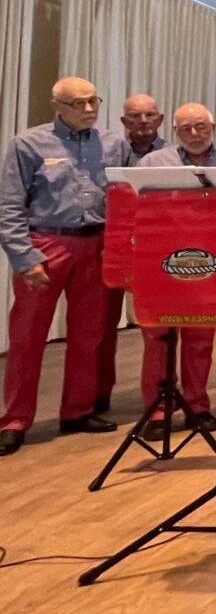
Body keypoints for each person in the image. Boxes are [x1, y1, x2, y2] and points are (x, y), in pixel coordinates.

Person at [0, 78, 123, 456]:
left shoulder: (113, 143)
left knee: (90, 334)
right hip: (46, 243)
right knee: (28, 337)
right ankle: (15, 420)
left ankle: (78, 410)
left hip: (96, 244)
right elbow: (9, 205)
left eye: (93, 101)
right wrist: (24, 257)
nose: (88, 109)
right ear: (57, 105)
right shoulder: (28, 144)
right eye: (78, 103)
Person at [138, 104, 216, 438]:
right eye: (186, 129)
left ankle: (198, 406)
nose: (195, 134)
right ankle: (157, 411)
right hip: (160, 265)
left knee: (200, 339)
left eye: (201, 127)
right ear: (175, 131)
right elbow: (134, 211)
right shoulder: (153, 164)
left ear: (213, 126)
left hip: (208, 266)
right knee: (157, 339)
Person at [96, 92, 166, 413]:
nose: (143, 122)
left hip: (159, 248)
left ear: (160, 120)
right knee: (99, 327)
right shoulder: (106, 151)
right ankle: (94, 398)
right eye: (135, 116)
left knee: (158, 329)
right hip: (112, 243)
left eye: (149, 115)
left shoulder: (173, 155)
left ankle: (160, 398)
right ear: (123, 121)